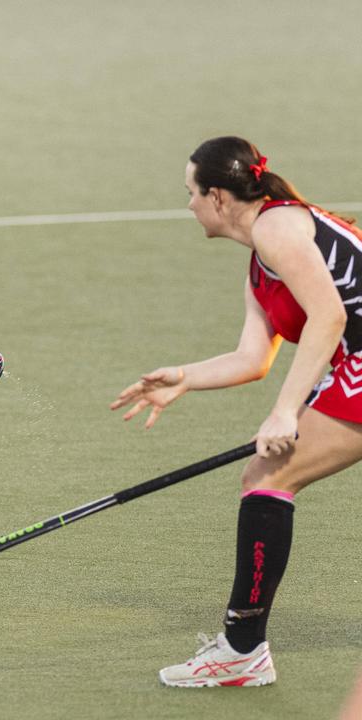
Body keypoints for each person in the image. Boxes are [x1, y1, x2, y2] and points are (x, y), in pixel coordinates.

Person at [111, 136, 362, 688]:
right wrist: (184, 378)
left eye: (191, 193)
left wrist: (285, 413)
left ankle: (242, 652)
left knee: (268, 476)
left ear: (219, 197)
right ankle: (243, 650)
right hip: (354, 364)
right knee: (266, 476)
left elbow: (328, 319)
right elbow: (254, 358)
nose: (189, 206)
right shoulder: (260, 259)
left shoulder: (278, 228)